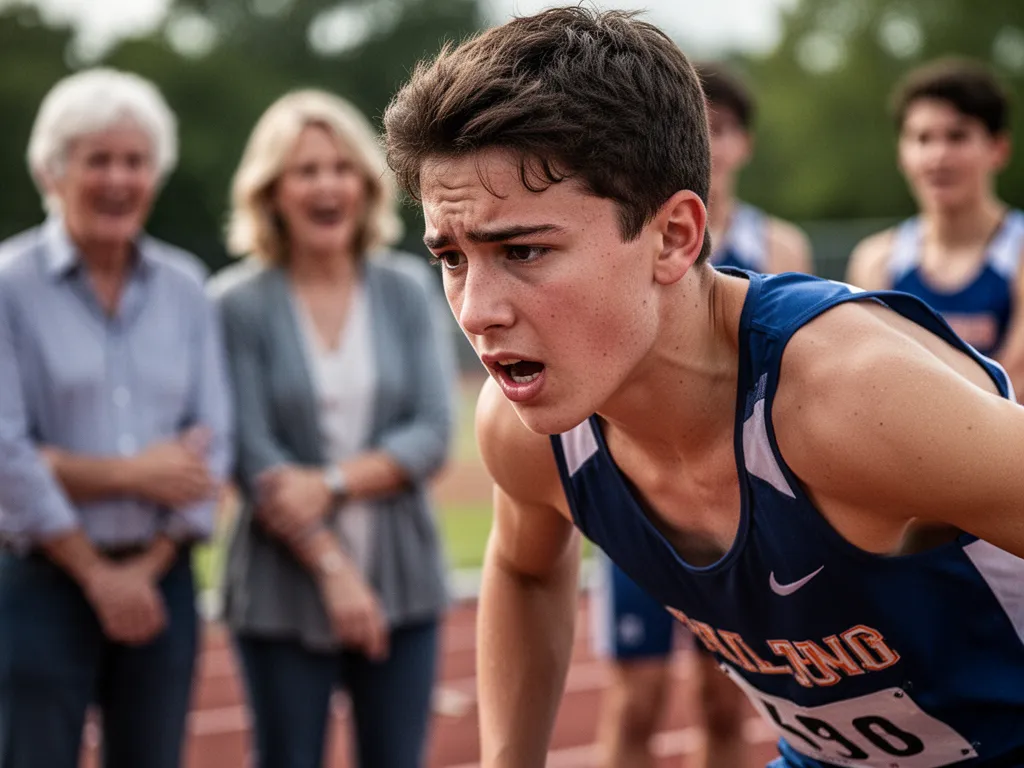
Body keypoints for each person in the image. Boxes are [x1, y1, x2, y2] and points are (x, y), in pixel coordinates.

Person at [384, 7, 1024, 768]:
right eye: (451, 258)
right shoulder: (530, 431)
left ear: (674, 237)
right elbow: (524, 567)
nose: (476, 311)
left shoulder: (846, 397)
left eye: (522, 249)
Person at [211, 89, 454, 768]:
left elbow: (432, 432)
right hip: (279, 587)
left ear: (366, 183)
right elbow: (254, 455)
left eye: (341, 167)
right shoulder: (235, 304)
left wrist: (330, 483)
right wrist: (332, 568)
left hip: (402, 579)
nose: (327, 185)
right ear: (271, 191)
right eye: (305, 170)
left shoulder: (407, 288)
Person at [0, 68, 233, 768]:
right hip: (41, 581)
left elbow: (213, 445)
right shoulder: (8, 286)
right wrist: (104, 561)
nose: (118, 179)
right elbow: (6, 451)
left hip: (163, 582)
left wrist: (146, 564)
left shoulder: (187, 286)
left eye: (135, 161)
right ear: (52, 170)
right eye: (97, 159)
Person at [591, 61, 815, 768]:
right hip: (649, 492)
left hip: (747, 496)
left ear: (744, 143)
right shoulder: (624, 234)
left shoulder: (779, 246)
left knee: (729, 702)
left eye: (719, 129)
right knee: (636, 701)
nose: (709, 145)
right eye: (696, 127)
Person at [847, 58, 1024, 395]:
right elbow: (869, 385)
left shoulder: (1018, 254)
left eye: (957, 137)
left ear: (998, 149)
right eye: (923, 138)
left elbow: (1014, 387)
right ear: (902, 153)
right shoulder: (876, 260)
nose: (939, 155)